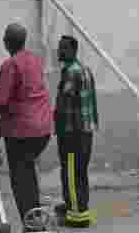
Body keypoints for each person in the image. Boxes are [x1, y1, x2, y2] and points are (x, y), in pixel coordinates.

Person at [0, 23, 53, 230]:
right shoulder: (33, 60)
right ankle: (35, 218)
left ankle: (31, 225)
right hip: (42, 129)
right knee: (28, 173)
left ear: (6, 42)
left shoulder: (10, 65)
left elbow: (0, 102)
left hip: (21, 132)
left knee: (20, 180)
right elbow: (6, 73)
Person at [53, 34, 98, 228]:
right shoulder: (86, 70)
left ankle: (76, 216)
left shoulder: (70, 72)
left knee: (70, 173)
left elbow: (64, 104)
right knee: (80, 172)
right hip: (86, 132)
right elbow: (93, 103)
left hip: (72, 133)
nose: (59, 51)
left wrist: (58, 128)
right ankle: (80, 206)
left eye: (63, 48)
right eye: (59, 47)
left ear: (73, 50)